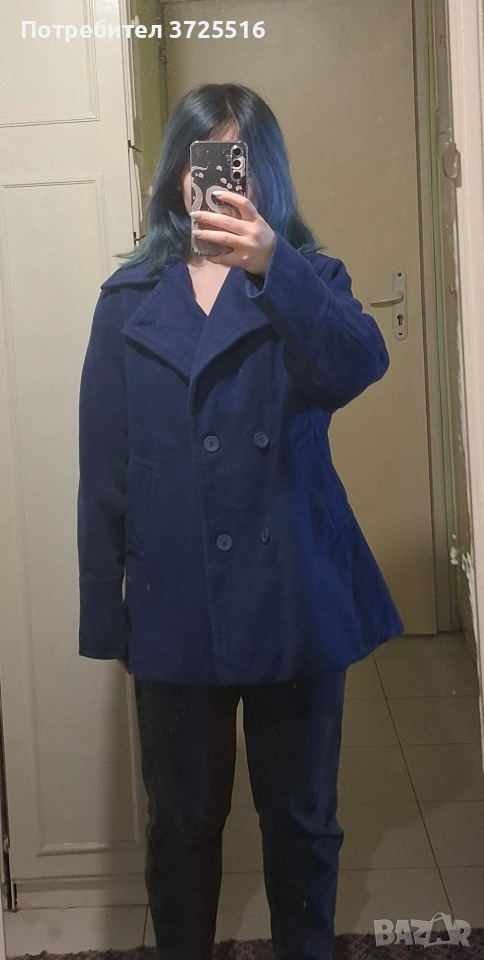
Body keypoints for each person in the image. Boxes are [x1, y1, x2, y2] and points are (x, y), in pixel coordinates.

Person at [77, 82, 404, 960]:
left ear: (267, 178)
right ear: (178, 177)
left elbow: (357, 365)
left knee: (302, 823)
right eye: (206, 160)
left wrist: (272, 265)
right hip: (175, 601)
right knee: (182, 829)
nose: (220, 179)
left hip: (293, 591)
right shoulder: (126, 301)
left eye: (239, 163)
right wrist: (108, 617)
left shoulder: (308, 281)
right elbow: (104, 472)